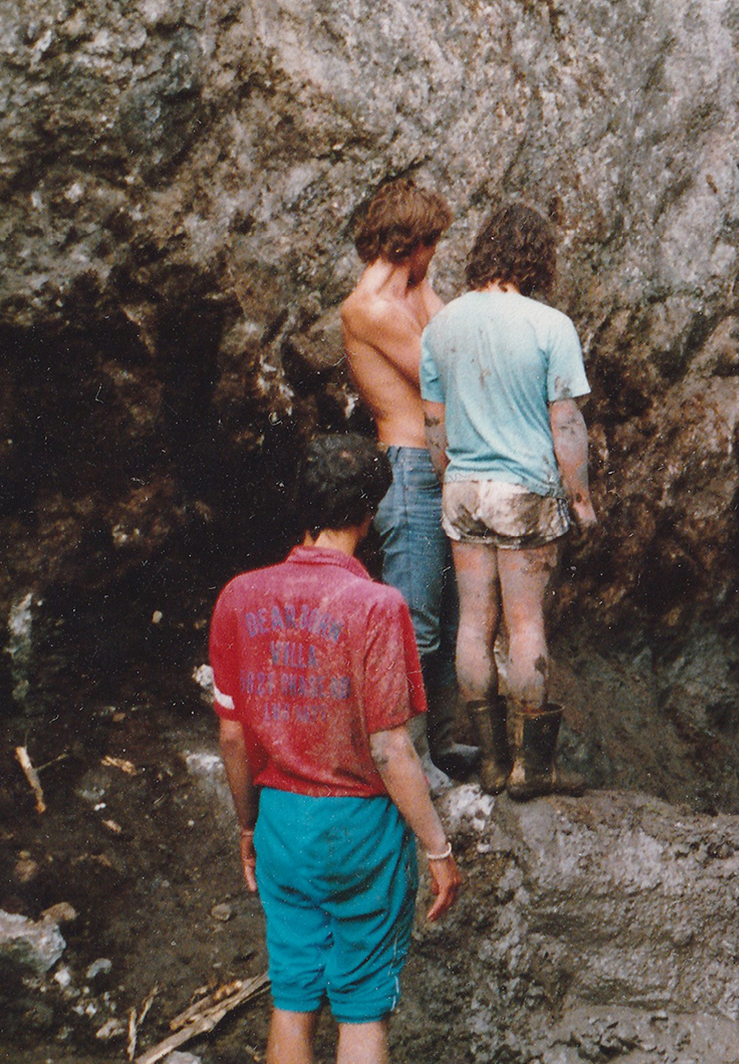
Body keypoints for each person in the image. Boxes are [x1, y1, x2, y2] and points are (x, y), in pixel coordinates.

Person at [209, 434, 463, 1064]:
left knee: (292, 998)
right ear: (370, 513)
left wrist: (247, 825)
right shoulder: (378, 607)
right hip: (361, 833)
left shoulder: (239, 597)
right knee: (362, 1007)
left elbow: (234, 733)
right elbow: (390, 748)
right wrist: (438, 847)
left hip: (281, 825)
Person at [421, 202, 596, 801]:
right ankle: (532, 770)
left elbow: (433, 424)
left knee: (473, 624)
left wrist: (453, 479)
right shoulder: (549, 326)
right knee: (524, 625)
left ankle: (492, 765)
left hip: (463, 490)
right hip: (523, 492)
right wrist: (580, 497)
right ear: (535, 257)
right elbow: (566, 423)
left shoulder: (440, 327)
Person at [341, 177, 475, 787]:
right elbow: (444, 370)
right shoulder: (370, 307)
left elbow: (457, 333)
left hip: (439, 466)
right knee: (413, 620)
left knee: (448, 619)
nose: (434, 258)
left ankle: (446, 743)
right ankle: (406, 755)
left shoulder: (412, 290)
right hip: (409, 469)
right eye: (432, 245)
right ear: (412, 243)